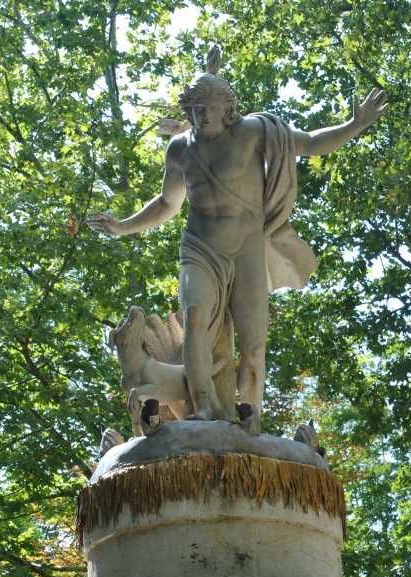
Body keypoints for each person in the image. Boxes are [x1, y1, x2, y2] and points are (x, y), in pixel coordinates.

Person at [89, 52, 388, 435]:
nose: (204, 117)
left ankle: (250, 416)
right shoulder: (179, 148)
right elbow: (167, 203)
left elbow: (310, 143)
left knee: (253, 344)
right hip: (199, 248)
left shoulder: (252, 132)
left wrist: (354, 124)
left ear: (228, 109)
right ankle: (202, 408)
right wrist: (123, 227)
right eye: (197, 109)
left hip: (245, 249)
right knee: (195, 315)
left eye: (212, 109)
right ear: (189, 109)